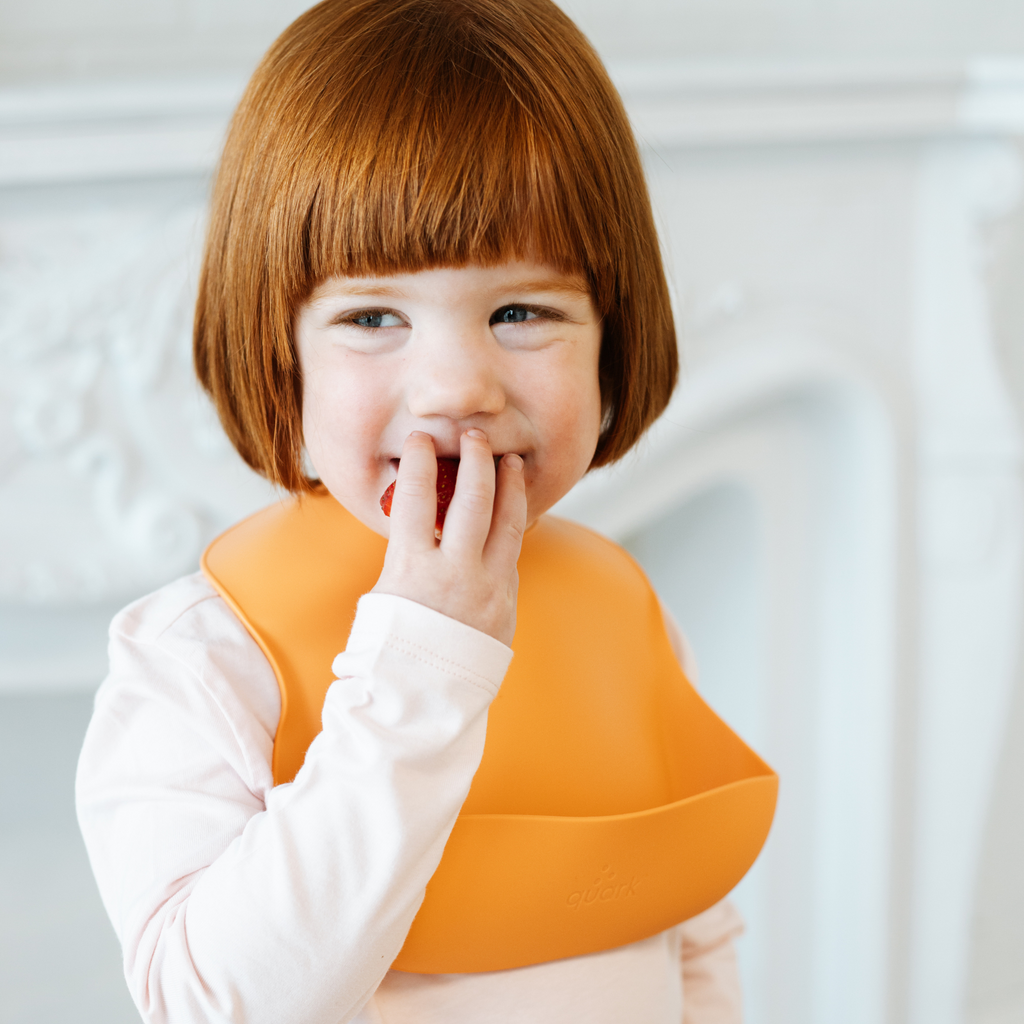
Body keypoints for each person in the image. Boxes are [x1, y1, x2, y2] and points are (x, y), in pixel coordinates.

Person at [76, 1, 768, 1021]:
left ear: (613, 334)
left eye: (521, 311)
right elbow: (215, 1004)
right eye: (372, 316)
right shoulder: (203, 658)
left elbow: (690, 932)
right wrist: (422, 661)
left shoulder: (624, 609)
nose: (456, 387)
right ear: (280, 351)